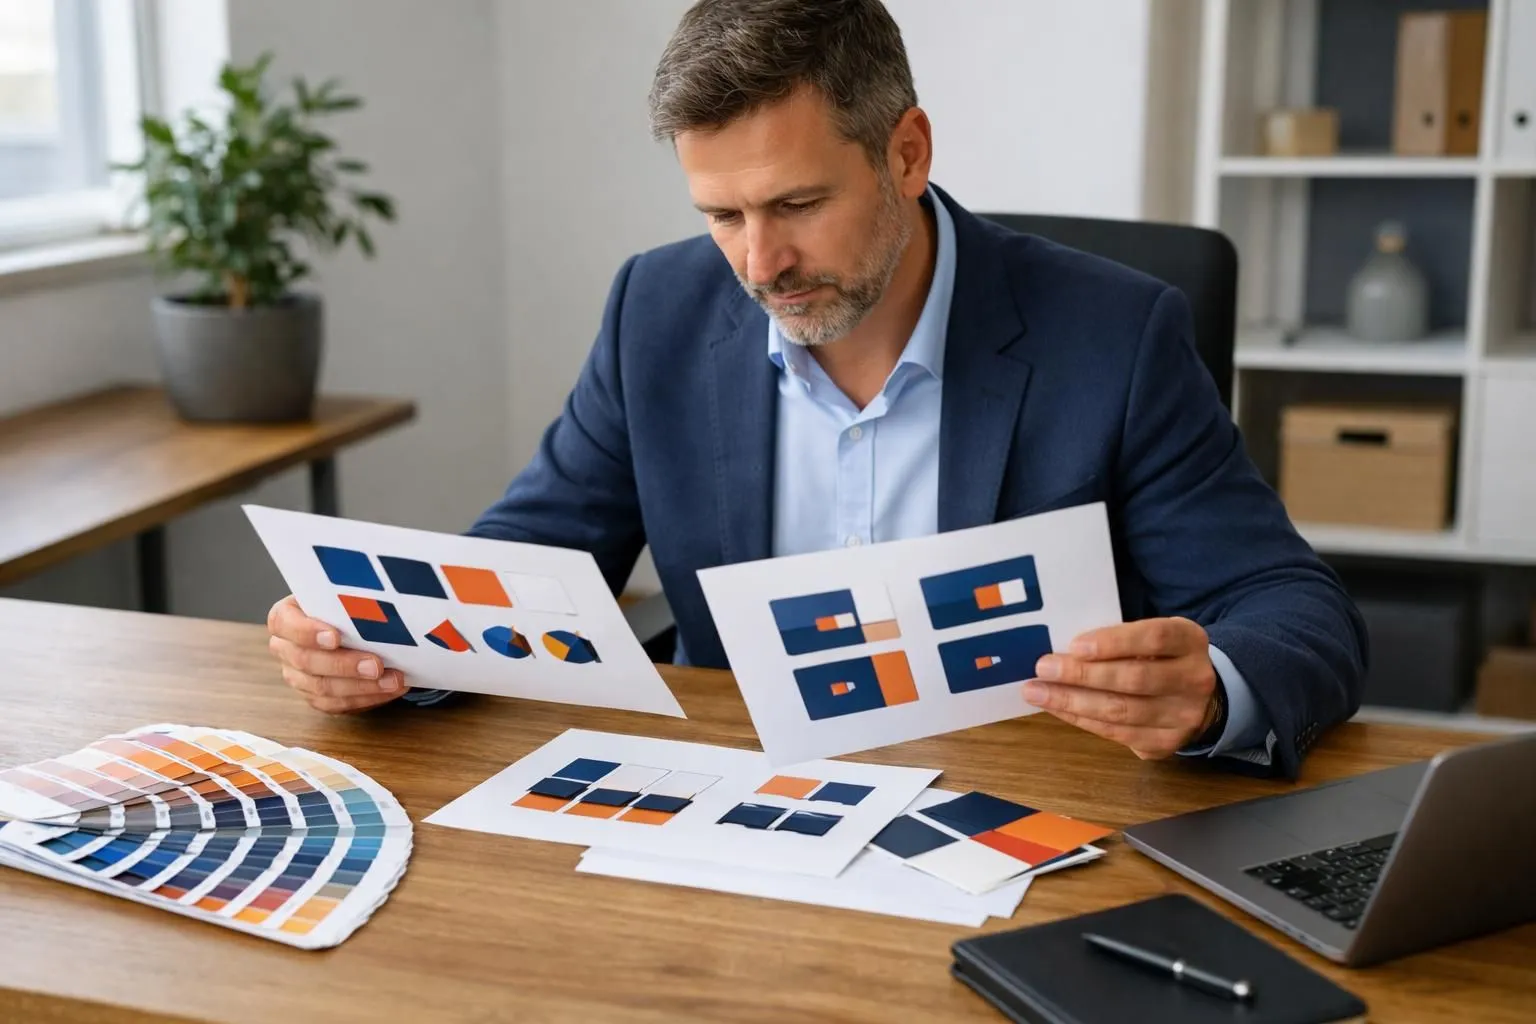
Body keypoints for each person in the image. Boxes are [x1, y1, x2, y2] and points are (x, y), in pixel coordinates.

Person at [267, 0, 1365, 779]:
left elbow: (1296, 608)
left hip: (1024, 804)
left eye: (795, 204)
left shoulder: (1115, 334)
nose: (757, 264)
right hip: (743, 801)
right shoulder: (658, 308)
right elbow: (535, 559)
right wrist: (381, 644)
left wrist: (1212, 687)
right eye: (721, 214)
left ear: (907, 152)